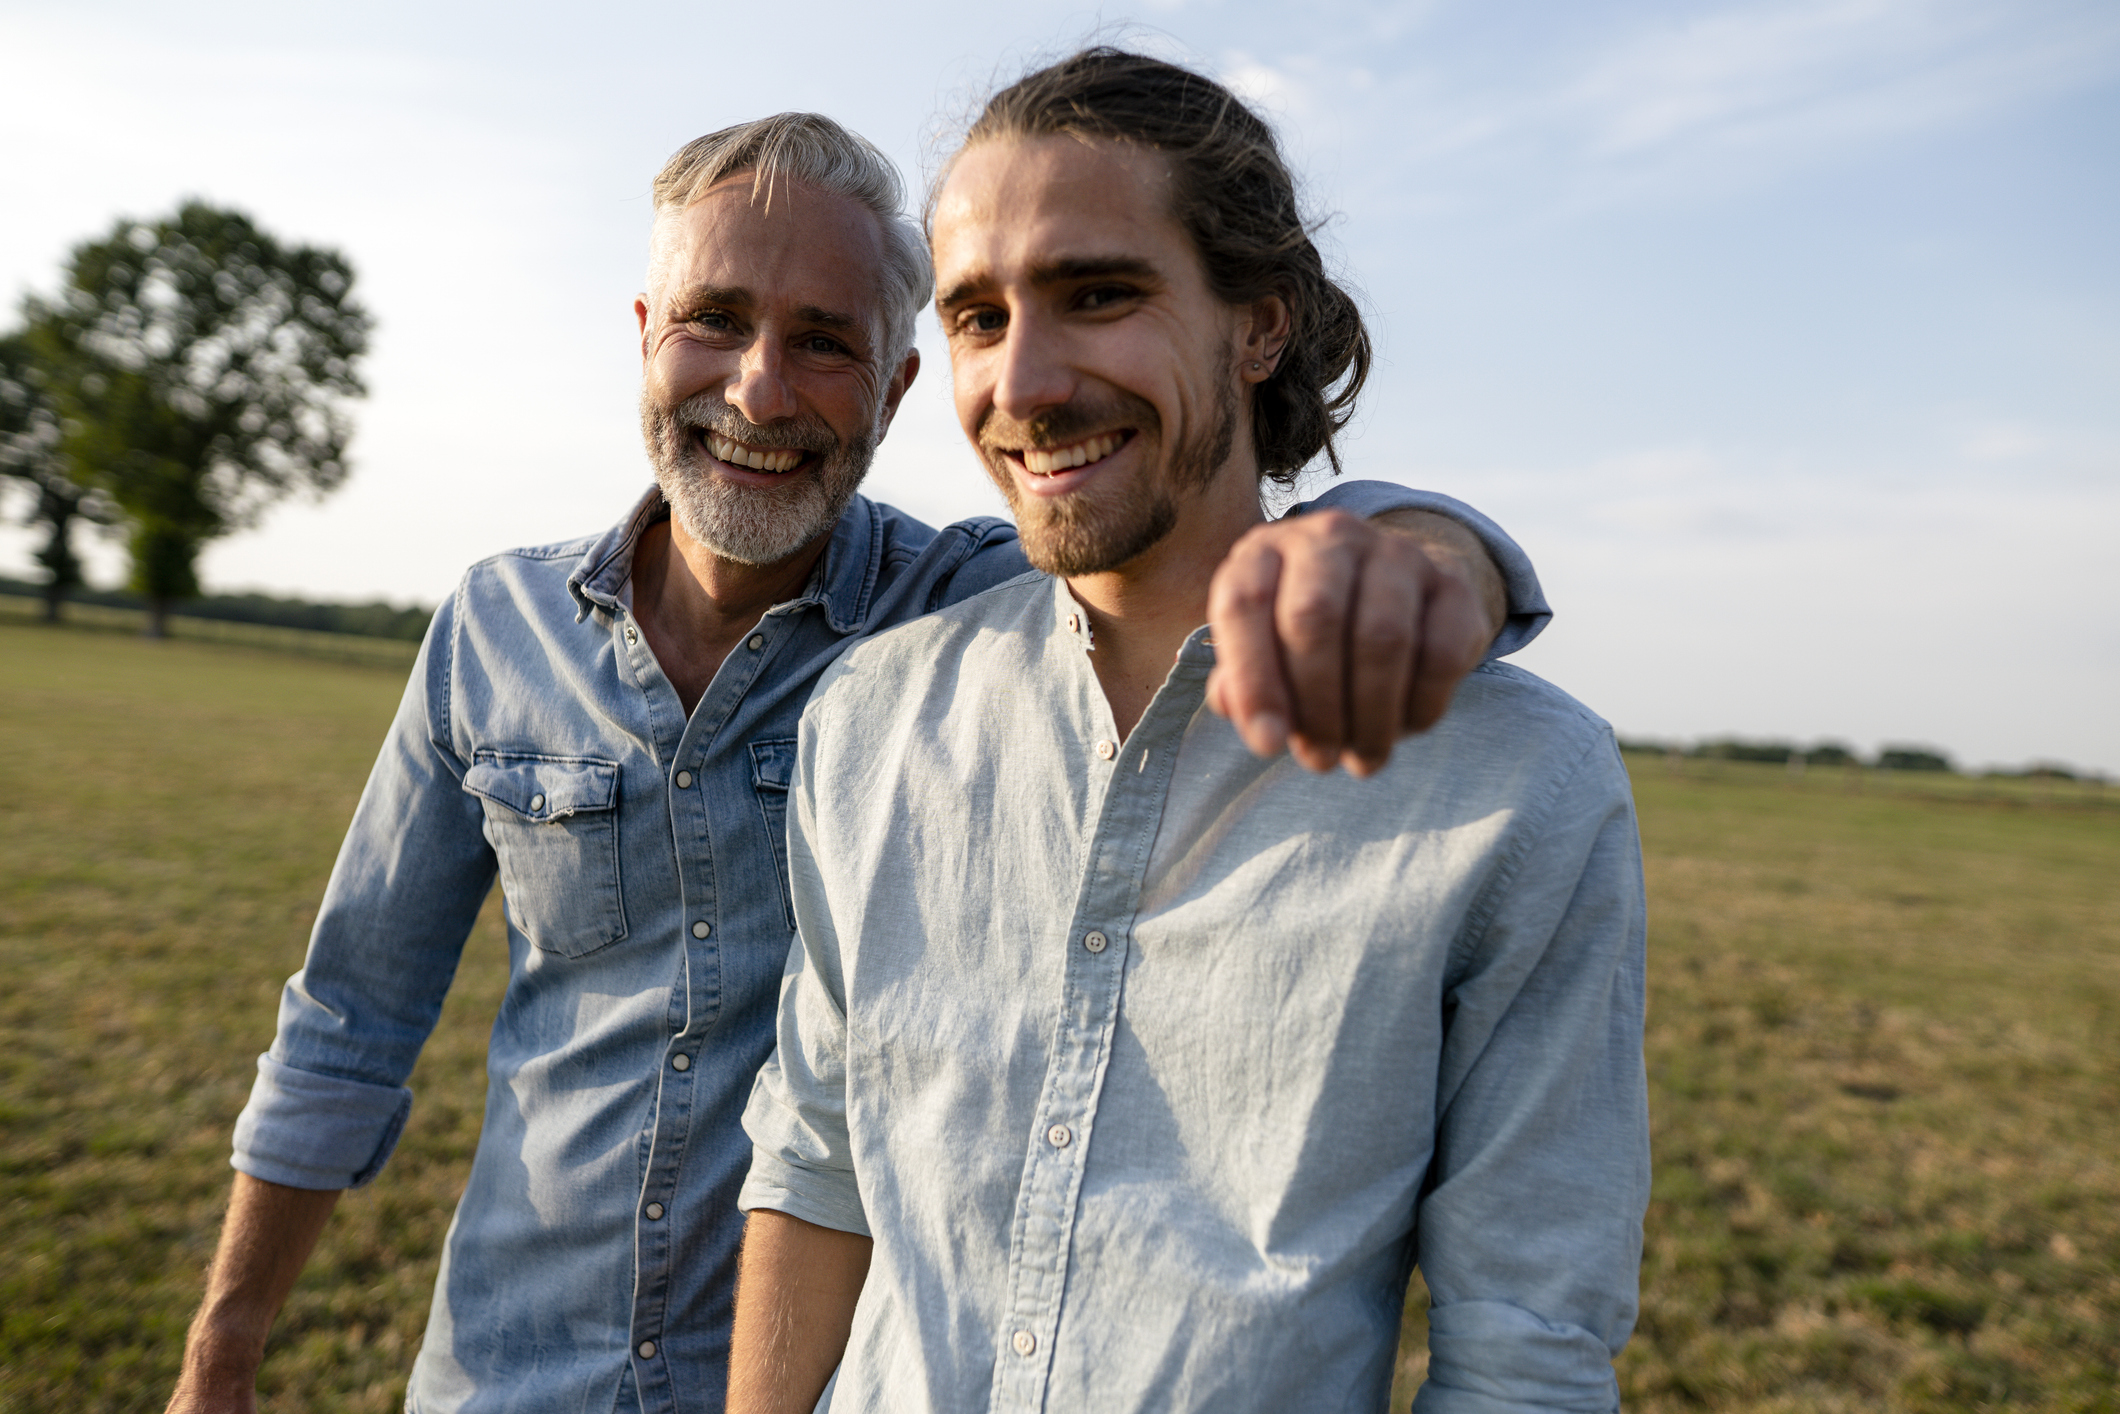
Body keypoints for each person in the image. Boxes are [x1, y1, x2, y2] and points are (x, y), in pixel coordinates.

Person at [164, 110, 1551, 1414]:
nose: (760, 388)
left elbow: (1177, 542)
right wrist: (225, 1338)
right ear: (646, 336)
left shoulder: (954, 619)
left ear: (895, 390)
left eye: (825, 340)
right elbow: (351, 1012)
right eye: (714, 321)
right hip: (507, 1368)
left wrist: (1426, 538)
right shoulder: (491, 626)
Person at [730, 50, 1650, 1414]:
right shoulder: (872, 714)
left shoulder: (1520, 782)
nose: (1025, 381)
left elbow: (1527, 1348)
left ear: (1260, 324)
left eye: (1098, 293)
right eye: (978, 316)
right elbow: (817, 1162)